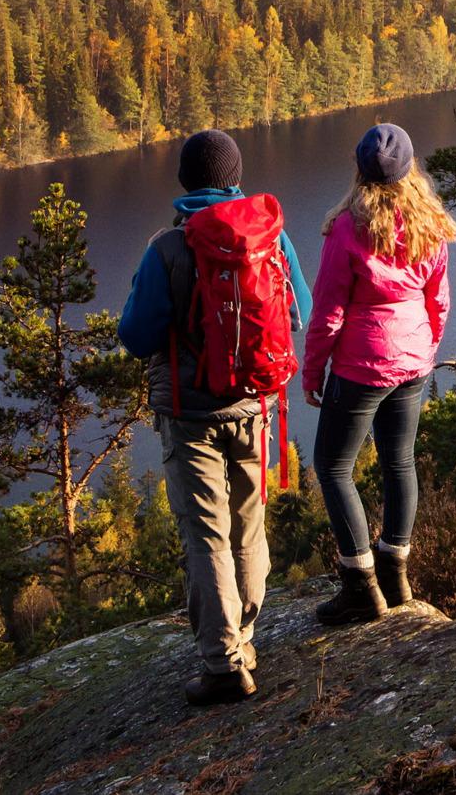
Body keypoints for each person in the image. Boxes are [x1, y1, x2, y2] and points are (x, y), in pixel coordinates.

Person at [118, 129, 312, 706]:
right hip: (253, 406)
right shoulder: (271, 238)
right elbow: (296, 311)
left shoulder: (167, 247)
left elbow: (135, 336)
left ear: (185, 181)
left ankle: (223, 664)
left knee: (205, 535)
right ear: (234, 176)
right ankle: (244, 638)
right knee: (248, 526)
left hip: (189, 413)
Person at [303, 122, 456, 623]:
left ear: (360, 170)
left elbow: (327, 310)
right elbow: (439, 300)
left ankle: (361, 585)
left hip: (361, 365)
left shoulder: (347, 227)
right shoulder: (430, 222)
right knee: (399, 461)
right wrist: (425, 348)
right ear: (411, 169)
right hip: (413, 360)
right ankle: (396, 574)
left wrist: (312, 372)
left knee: (332, 466)